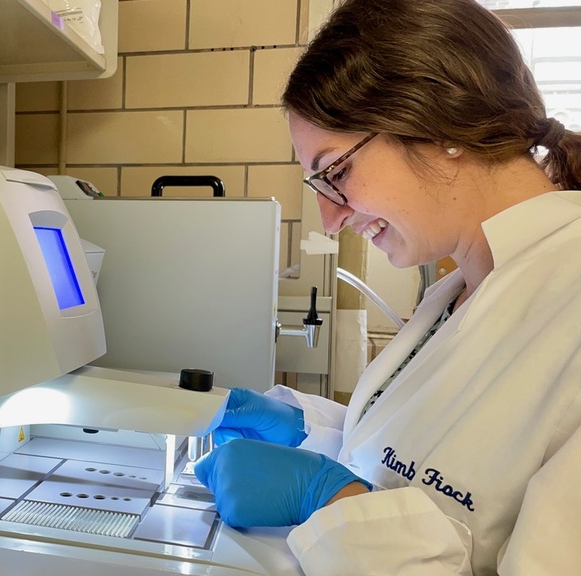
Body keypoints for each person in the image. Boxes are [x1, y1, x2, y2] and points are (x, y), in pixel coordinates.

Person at [193, 0, 581, 574]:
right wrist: (311, 433)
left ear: (437, 121)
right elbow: (428, 471)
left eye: (338, 172)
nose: (330, 219)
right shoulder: (457, 291)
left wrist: (331, 499)